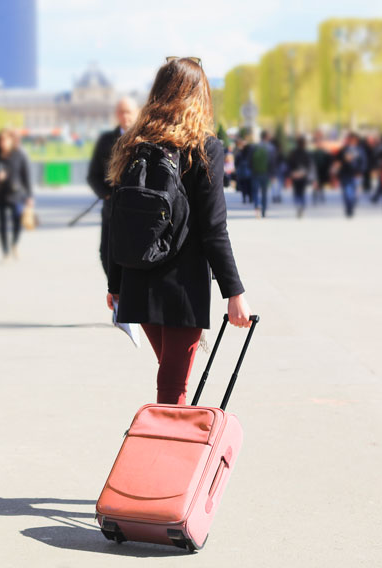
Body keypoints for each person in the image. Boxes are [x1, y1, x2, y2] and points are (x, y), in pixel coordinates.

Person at [106, 57, 252, 405]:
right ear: (197, 97)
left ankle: (167, 450)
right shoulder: (203, 149)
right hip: (182, 286)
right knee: (173, 390)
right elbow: (214, 228)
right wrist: (234, 292)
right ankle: (164, 455)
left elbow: (118, 219)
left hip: (138, 281)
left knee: (171, 378)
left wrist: (116, 284)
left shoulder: (134, 145)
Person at [87, 97, 139, 279]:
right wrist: (107, 195)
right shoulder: (106, 141)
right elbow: (93, 175)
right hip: (112, 208)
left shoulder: (146, 138)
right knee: (107, 253)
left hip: (139, 210)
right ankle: (117, 294)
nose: (125, 116)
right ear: (116, 114)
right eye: (121, 112)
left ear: (137, 112)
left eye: (128, 111)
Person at [0, 128, 33, 260]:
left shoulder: (19, 155)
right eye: (0, 140)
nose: (2, 142)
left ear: (11, 140)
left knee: (17, 220)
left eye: (5, 139)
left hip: (16, 194)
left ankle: (14, 244)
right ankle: (5, 251)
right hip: (0, 194)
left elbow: (26, 177)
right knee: (2, 224)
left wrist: (29, 196)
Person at [332, 132, 366, 218]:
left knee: (355, 194)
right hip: (345, 173)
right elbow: (337, 161)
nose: (351, 141)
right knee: (347, 192)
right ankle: (348, 208)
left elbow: (364, 162)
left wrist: (360, 171)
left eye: (353, 139)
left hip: (356, 174)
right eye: (350, 139)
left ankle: (352, 205)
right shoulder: (343, 150)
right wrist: (337, 167)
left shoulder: (360, 150)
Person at [287, 136, 316, 218]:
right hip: (303, 175)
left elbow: (289, 163)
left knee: (296, 191)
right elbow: (309, 165)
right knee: (302, 192)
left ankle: (298, 205)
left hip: (295, 174)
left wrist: (292, 173)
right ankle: (302, 206)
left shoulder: (293, 153)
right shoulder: (307, 153)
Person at [250, 130, 276, 218]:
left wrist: (252, 170)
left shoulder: (255, 147)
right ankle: (264, 211)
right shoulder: (271, 148)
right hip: (266, 173)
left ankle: (257, 205)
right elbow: (273, 162)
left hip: (255, 172)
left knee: (255, 191)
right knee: (264, 192)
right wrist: (272, 174)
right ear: (267, 137)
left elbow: (250, 160)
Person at [311, 131, 333, 205]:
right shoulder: (314, 151)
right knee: (315, 183)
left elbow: (329, 160)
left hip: (322, 170)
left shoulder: (324, 152)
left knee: (321, 183)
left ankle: (321, 194)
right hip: (315, 170)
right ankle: (315, 196)